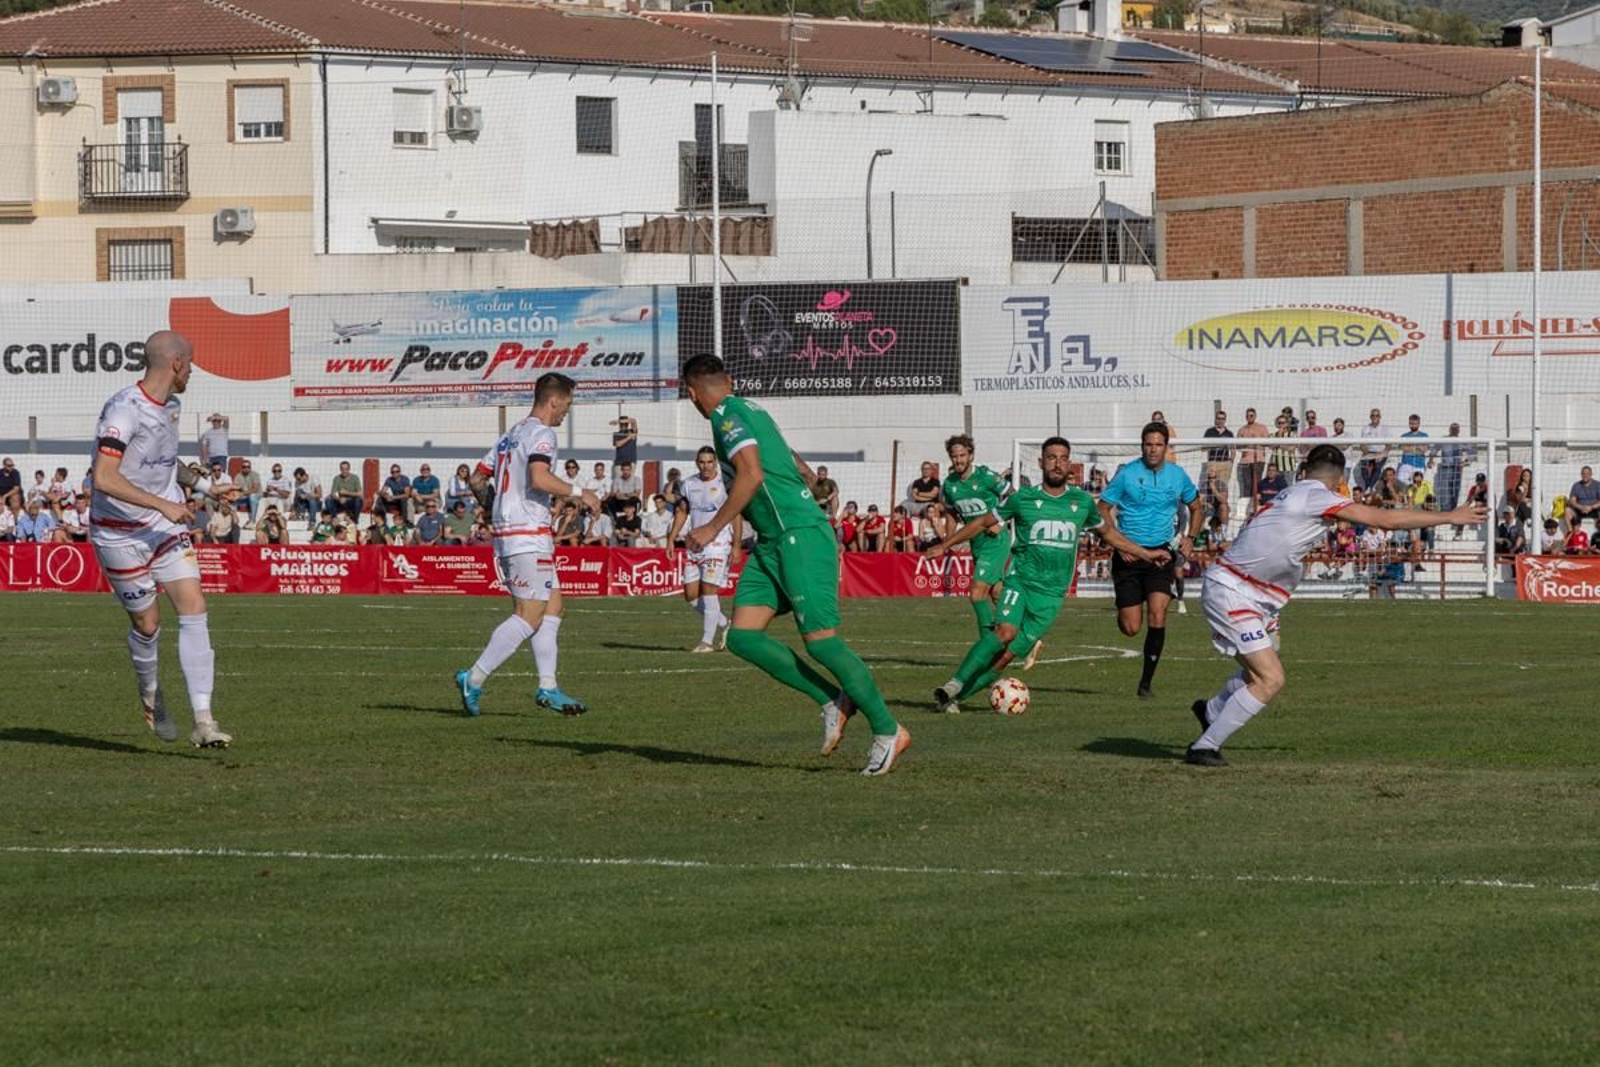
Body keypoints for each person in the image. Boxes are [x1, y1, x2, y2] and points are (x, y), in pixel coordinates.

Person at [1186, 443, 1485, 767]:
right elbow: (1385, 520)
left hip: (1252, 593)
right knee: (1270, 678)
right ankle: (1204, 747)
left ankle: (1212, 710)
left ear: (1304, 470)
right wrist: (1449, 516)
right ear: (1339, 478)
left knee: (1259, 665)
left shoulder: (1290, 493)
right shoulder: (1318, 497)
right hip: (1235, 590)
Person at [682, 353, 909, 776]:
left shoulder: (725, 418)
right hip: (773, 541)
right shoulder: (750, 408)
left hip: (797, 536)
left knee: (822, 642)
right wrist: (803, 478)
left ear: (692, 394)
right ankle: (832, 698)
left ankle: (888, 729)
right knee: (743, 638)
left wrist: (713, 527)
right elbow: (793, 463)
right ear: (728, 380)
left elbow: (751, 475)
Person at [927, 437, 1168, 713]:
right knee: (1004, 631)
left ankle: (953, 701)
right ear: (1041, 462)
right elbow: (983, 521)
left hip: (1052, 595)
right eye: (1051, 458)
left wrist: (1146, 554)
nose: (1057, 463)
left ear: (1070, 465)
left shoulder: (1081, 502)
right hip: (1021, 581)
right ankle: (953, 685)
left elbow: (1109, 533)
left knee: (1005, 658)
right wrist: (945, 545)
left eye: (1063, 458)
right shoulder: (1022, 499)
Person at [89, 330, 238, 748]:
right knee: (147, 624)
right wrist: (162, 505)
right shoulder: (123, 411)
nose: (192, 371)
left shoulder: (172, 406)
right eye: (190, 364)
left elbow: (166, 463)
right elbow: (103, 478)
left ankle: (204, 720)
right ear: (175, 364)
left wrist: (207, 489)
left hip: (163, 527)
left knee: (194, 606)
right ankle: (151, 696)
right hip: (119, 532)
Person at [456, 373, 597, 717]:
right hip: (526, 535)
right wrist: (582, 492)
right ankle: (473, 677)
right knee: (529, 616)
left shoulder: (510, 434)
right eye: (568, 403)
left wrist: (497, 508)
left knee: (553, 608)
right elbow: (538, 477)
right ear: (554, 400)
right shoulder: (542, 433)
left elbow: (476, 478)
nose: (567, 410)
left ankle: (548, 687)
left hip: (517, 531)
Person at [1098, 421, 1204, 699]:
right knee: (1131, 628)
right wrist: (1115, 540)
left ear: (1166, 447)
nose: (1153, 449)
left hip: (1161, 555)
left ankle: (1146, 684)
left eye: (1158, 444)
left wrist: (1190, 538)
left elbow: (1196, 508)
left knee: (1158, 614)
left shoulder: (1178, 476)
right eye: (1148, 444)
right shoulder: (1127, 474)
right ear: (1142, 446)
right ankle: (1127, 604)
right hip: (1129, 557)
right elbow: (1102, 507)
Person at [940, 434, 1015, 646]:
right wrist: (949, 541)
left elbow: (1013, 495)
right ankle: (1023, 636)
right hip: (976, 543)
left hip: (995, 540)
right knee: (997, 593)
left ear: (971, 456)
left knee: (976, 593)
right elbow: (952, 514)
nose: (959, 460)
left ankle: (987, 647)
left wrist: (1000, 522)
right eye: (954, 457)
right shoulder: (949, 485)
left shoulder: (986, 477)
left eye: (963, 455)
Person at [668, 446, 744, 653]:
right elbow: (682, 512)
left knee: (709, 590)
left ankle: (706, 642)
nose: (706, 466)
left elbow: (736, 515)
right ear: (696, 463)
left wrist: (737, 545)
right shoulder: (689, 484)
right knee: (691, 596)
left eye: (710, 462)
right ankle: (725, 623)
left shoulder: (724, 485)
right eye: (702, 462)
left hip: (718, 545)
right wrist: (671, 539)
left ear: (715, 463)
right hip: (694, 545)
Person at [1236, 408, 1269, 516]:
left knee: (1256, 485)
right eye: (1248, 415)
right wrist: (1245, 444)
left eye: (1251, 415)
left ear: (1255, 416)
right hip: (1245, 461)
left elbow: (1267, 442)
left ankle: (1255, 508)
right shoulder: (1242, 430)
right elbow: (1237, 446)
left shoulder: (1262, 428)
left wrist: (1256, 440)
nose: (1249, 417)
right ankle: (1246, 510)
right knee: (1247, 485)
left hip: (1258, 460)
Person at [1358, 408, 1390, 492]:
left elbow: (1389, 446)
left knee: (1377, 467)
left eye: (1377, 415)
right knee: (1363, 467)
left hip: (1381, 453)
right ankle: (1369, 487)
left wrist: (1381, 454)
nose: (1375, 417)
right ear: (1370, 417)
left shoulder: (1385, 429)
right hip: (1368, 453)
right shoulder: (1365, 428)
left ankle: (1369, 488)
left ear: (1380, 417)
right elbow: (1362, 445)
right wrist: (1368, 455)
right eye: (1373, 415)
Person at [1397, 414, 1430, 483]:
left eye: (1415, 424)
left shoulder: (1424, 436)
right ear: (1409, 424)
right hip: (1406, 464)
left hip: (1419, 465)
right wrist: (1418, 447)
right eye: (1411, 423)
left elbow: (1425, 449)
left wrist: (1410, 447)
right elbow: (1402, 448)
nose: (1413, 425)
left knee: (1417, 486)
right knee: (1401, 484)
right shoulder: (1404, 436)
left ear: (1418, 424)